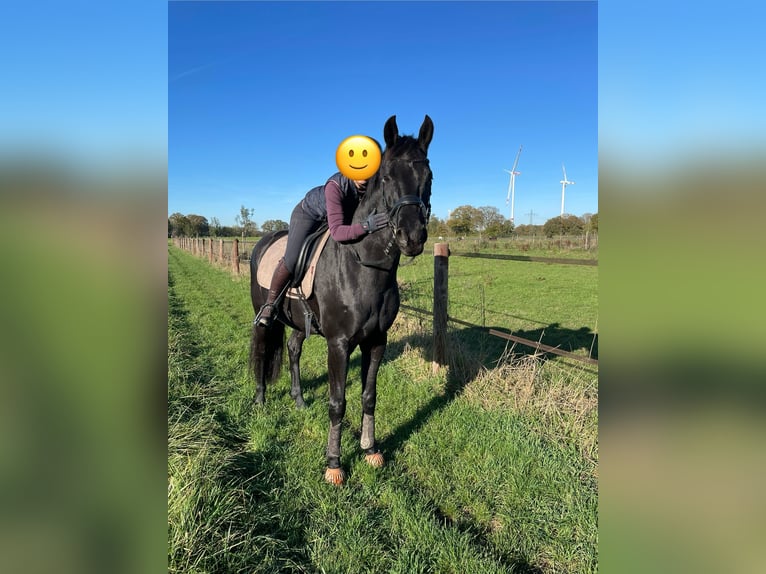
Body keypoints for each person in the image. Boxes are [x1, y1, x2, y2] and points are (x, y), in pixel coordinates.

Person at [256, 172, 389, 327]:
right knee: (292, 259)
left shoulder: (374, 185)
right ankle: (270, 304)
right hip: (309, 215)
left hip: (336, 217)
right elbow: (338, 233)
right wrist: (366, 226)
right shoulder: (336, 186)